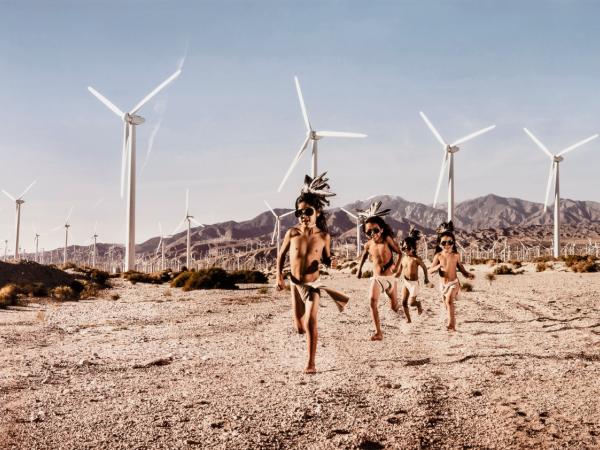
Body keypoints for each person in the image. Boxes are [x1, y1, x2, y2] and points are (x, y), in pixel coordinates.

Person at [276, 173, 349, 374]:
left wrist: (331, 262)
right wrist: (279, 276)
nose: (304, 216)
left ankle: (311, 362)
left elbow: (326, 259)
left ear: (317, 212)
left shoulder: (324, 237)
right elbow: (280, 256)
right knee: (299, 326)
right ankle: (304, 335)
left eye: (308, 211)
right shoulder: (292, 233)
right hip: (294, 283)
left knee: (310, 321)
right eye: (299, 213)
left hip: (313, 285)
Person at [355, 202, 402, 341]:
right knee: (372, 301)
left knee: (394, 307)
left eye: (375, 230)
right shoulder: (368, 245)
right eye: (368, 232)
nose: (372, 234)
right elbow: (363, 256)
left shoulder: (387, 240)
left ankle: (401, 312)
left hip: (390, 279)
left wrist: (396, 267)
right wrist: (359, 270)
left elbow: (400, 253)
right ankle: (378, 332)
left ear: (381, 229)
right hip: (377, 279)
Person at [428, 221, 474, 331]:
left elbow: (461, 268)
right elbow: (430, 270)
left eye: (450, 242)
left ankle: (451, 325)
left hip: (454, 283)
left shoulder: (456, 255)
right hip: (443, 285)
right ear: (439, 244)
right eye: (444, 243)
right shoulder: (438, 256)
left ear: (453, 242)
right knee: (447, 305)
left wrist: (467, 274)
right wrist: (438, 267)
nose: (447, 244)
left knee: (449, 301)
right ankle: (451, 319)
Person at [396, 228, 430, 323]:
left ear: (413, 248)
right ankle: (409, 319)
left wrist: (426, 278)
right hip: (405, 282)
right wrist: (394, 277)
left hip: (414, 284)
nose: (405, 250)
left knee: (411, 303)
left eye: (408, 248)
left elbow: (424, 267)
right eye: (403, 248)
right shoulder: (403, 259)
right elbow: (399, 271)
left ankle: (418, 304)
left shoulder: (416, 259)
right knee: (404, 302)